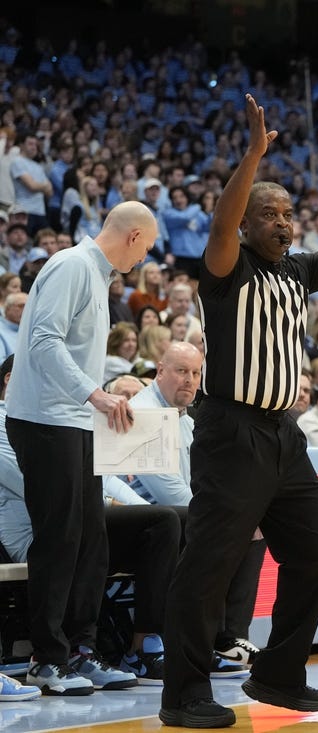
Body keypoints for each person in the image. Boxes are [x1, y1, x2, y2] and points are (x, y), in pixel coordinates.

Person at [159, 95, 318, 728]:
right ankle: (185, 693)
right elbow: (220, 228)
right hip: (231, 431)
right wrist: (253, 156)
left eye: (289, 213)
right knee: (209, 564)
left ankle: (277, 673)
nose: (284, 223)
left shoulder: (298, 271)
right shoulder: (226, 267)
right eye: (270, 215)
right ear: (246, 224)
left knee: (317, 548)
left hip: (284, 436)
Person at [5, 200, 156, 696]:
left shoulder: (97, 275)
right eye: (147, 247)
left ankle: (81, 650)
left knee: (92, 539)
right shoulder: (71, 264)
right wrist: (94, 393)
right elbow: (44, 341)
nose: (145, 257)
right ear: (133, 236)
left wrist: (97, 403)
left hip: (77, 421)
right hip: (44, 419)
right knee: (61, 537)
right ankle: (46, 661)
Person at [127, 342, 262, 675]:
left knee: (254, 529)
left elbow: (204, 480)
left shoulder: (186, 417)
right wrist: (225, 518)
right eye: (181, 371)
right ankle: (203, 639)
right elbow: (168, 490)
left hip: (172, 516)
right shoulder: (146, 413)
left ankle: (227, 638)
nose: (189, 380)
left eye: (196, 373)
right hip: (140, 522)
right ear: (160, 371)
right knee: (225, 527)